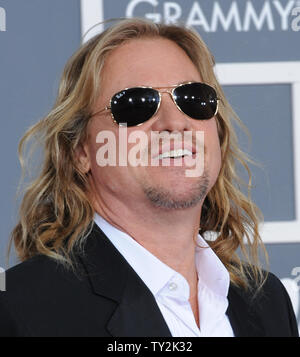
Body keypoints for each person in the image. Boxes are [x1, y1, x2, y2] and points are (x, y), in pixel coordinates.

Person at [0, 18, 298, 337]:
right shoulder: (21, 313)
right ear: (80, 151)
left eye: (193, 98)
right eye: (135, 105)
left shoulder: (268, 304)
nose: (175, 122)